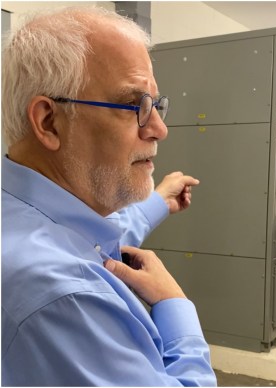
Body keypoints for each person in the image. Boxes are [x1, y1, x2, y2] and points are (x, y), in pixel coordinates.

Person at [1, 6, 217, 386]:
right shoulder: (64, 295)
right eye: (135, 105)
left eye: (156, 105)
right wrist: (173, 305)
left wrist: (159, 201)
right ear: (49, 121)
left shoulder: (19, 209)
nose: (159, 129)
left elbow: (84, 234)